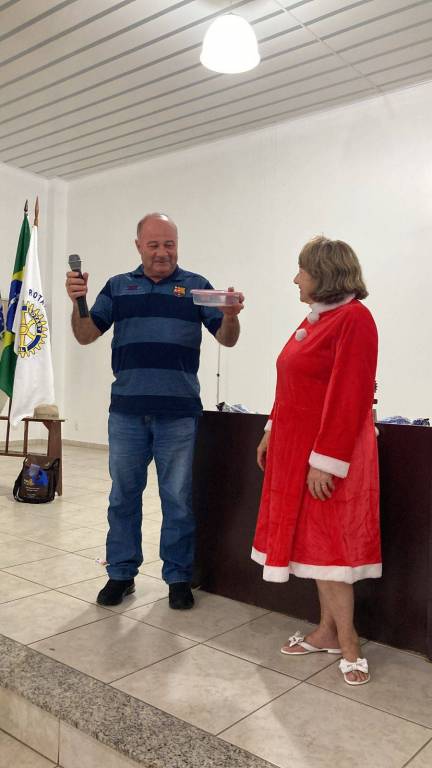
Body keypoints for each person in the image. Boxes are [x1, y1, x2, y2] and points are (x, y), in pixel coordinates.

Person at [65, 213, 244, 609]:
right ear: (138, 246)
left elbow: (226, 339)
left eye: (169, 244)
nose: (163, 252)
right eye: (154, 244)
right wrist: (77, 301)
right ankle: (121, 574)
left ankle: (178, 578)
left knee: (177, 500)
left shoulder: (197, 287)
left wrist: (231, 318)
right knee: (123, 497)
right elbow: (86, 334)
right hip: (127, 414)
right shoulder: (118, 286)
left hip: (179, 415)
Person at [252, 236, 380, 685]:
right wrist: (272, 429)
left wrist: (326, 461)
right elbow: (290, 383)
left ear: (323, 274)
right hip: (296, 450)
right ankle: (327, 632)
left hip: (327, 453)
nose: (295, 278)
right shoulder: (319, 319)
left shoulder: (355, 319)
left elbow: (351, 395)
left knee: (330, 549)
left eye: (302, 270)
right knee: (314, 547)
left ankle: (349, 643)